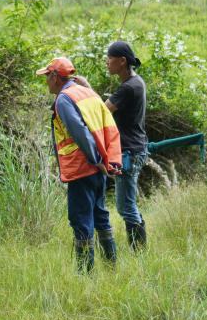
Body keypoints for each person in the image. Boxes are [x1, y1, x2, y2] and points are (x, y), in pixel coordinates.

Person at [36, 57, 122, 273]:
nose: (46, 81)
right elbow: (104, 124)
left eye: (47, 76)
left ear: (56, 77)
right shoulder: (87, 92)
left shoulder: (64, 99)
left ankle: (85, 274)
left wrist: (94, 159)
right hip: (98, 166)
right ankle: (112, 268)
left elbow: (81, 132)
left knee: (80, 219)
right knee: (100, 215)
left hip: (82, 168)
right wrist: (104, 160)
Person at [104, 41, 149, 251]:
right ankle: (138, 250)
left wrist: (85, 89)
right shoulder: (136, 82)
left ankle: (139, 251)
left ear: (122, 61)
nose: (107, 62)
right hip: (137, 148)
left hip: (129, 151)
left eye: (110, 58)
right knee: (127, 204)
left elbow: (103, 112)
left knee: (125, 206)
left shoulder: (128, 88)